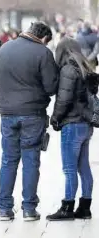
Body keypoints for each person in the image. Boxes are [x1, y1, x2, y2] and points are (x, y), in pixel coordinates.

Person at [0, 21, 59, 222]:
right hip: (33, 113)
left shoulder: (5, 48)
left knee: (8, 160)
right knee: (31, 161)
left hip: (7, 113)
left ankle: (4, 208)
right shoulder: (43, 53)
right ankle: (29, 209)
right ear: (44, 38)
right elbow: (51, 87)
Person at [46, 37, 96, 221]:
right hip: (85, 125)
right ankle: (85, 207)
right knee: (83, 167)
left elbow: (64, 100)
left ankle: (67, 207)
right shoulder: (85, 67)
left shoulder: (68, 69)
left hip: (72, 125)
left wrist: (55, 119)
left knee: (69, 169)